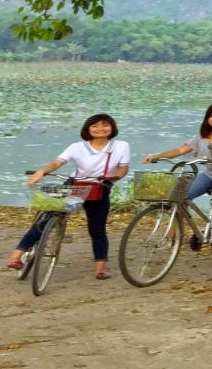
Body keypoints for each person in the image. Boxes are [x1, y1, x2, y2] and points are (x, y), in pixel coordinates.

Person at [8, 113, 131, 280]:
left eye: (105, 125)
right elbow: (57, 163)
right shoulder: (77, 147)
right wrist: (42, 171)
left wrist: (115, 177)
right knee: (48, 217)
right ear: (88, 129)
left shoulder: (122, 146)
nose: (100, 129)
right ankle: (16, 256)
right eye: (95, 126)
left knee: (97, 229)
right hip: (75, 185)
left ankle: (100, 268)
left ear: (112, 128)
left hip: (100, 187)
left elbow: (123, 169)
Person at [142, 103, 212, 245]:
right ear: (207, 117)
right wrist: (158, 156)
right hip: (209, 176)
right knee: (177, 196)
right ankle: (172, 237)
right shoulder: (203, 135)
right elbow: (181, 150)